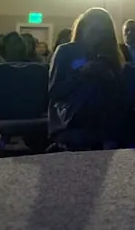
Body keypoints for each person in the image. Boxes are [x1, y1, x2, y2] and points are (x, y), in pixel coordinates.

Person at [47, 8, 126, 149]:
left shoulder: (109, 55)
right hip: (71, 112)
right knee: (91, 89)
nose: (98, 36)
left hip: (104, 110)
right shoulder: (66, 51)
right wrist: (81, 74)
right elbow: (55, 91)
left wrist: (108, 77)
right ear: (83, 28)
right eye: (94, 30)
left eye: (103, 32)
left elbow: (121, 91)